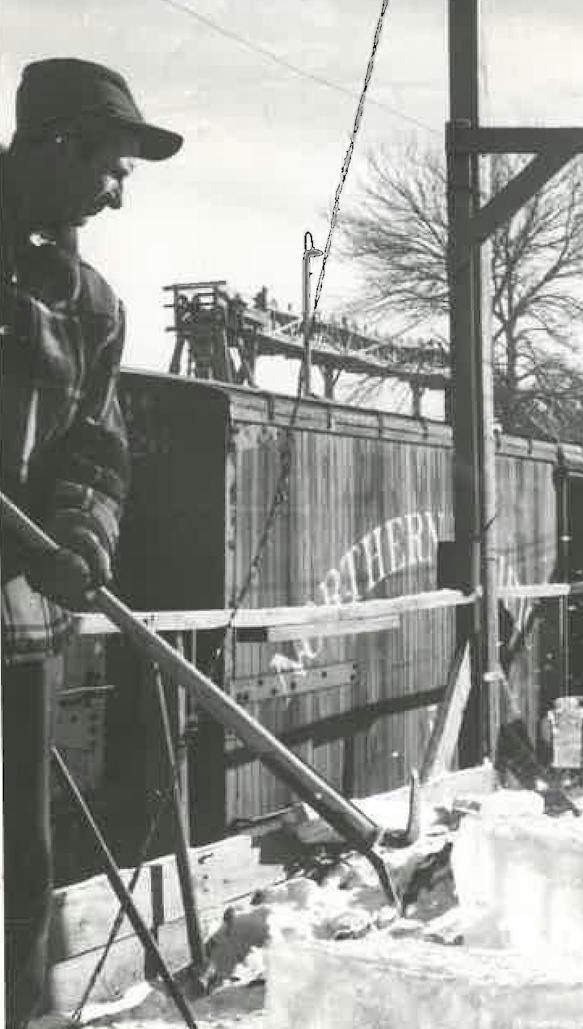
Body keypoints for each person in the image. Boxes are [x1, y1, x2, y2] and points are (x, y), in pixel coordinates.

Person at [2, 58, 181, 1028]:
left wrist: (78, 528)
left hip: (18, 624)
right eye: (111, 169)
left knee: (20, 864)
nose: (115, 197)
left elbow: (94, 447)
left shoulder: (91, 304)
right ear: (59, 145)